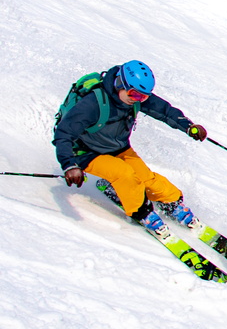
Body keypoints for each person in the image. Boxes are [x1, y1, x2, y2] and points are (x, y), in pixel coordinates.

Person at [53, 60, 207, 238]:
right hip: (85, 153)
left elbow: (164, 110)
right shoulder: (93, 104)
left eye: (143, 97)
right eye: (135, 94)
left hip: (117, 148)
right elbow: (63, 134)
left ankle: (171, 203)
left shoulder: (134, 98)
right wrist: (69, 165)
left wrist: (188, 126)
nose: (138, 100)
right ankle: (142, 212)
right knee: (124, 173)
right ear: (120, 83)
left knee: (146, 178)